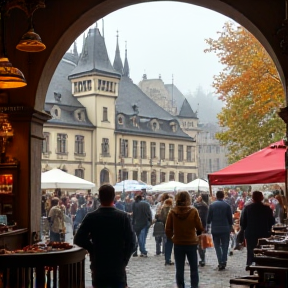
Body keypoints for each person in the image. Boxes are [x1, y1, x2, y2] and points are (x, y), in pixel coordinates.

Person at [74, 184, 136, 288]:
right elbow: (132, 242)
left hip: (99, 264)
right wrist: (124, 259)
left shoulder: (92, 217)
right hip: (117, 264)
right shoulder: (123, 217)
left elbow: (78, 239)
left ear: (99, 198)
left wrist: (92, 249)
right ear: (113, 198)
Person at [165, 191, 204, 288]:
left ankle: (180, 286)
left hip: (178, 243)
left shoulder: (172, 212)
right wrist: (197, 237)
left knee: (179, 268)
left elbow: (167, 229)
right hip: (191, 242)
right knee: (194, 268)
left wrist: (172, 238)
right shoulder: (193, 211)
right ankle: (194, 286)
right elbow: (199, 227)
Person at [240, 190, 275, 267]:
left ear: (252, 198)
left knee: (251, 249)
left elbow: (243, 222)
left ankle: (250, 263)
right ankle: (261, 264)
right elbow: (272, 222)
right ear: (262, 198)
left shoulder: (247, 208)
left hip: (250, 233)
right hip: (264, 232)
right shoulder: (267, 209)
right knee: (263, 249)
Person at [207, 190, 233, 271]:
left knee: (217, 246)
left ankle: (220, 261)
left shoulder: (212, 205)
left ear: (216, 196)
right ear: (223, 196)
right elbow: (230, 219)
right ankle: (224, 260)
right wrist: (230, 226)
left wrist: (208, 224)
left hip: (215, 228)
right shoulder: (227, 205)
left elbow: (208, 219)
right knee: (225, 245)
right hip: (225, 228)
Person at [193, 194, 209, 267]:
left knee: (200, 244)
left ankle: (202, 260)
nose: (197, 198)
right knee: (201, 244)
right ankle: (202, 259)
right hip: (202, 226)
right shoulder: (203, 205)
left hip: (201, 227)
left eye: (199, 196)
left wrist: (195, 203)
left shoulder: (202, 205)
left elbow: (196, 206)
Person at [160, 197, 174, 265]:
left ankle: (167, 259)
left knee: (168, 244)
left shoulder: (163, 209)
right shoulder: (172, 210)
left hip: (165, 228)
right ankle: (172, 259)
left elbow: (161, 218)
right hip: (173, 229)